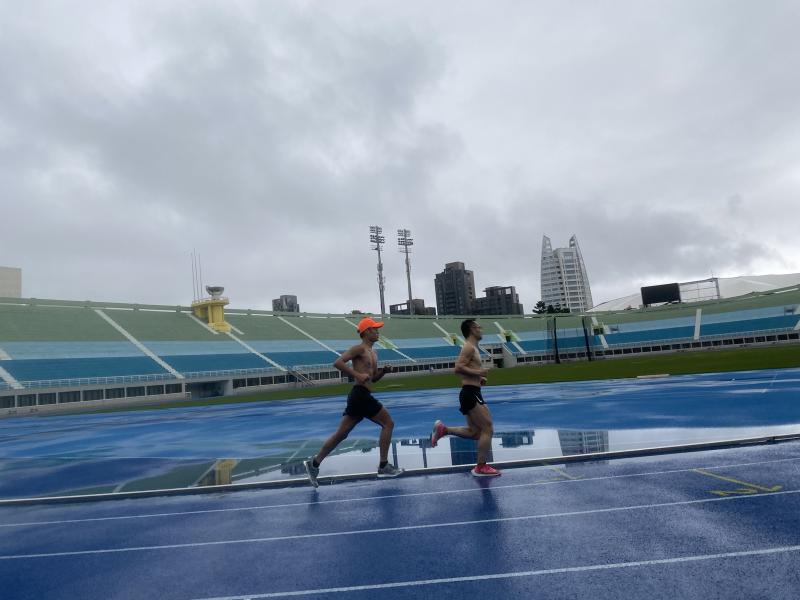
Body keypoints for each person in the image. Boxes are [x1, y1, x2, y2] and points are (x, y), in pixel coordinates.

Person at [303, 317, 404, 487]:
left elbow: (372, 379)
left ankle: (314, 464)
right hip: (360, 395)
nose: (378, 332)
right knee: (388, 423)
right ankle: (383, 466)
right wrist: (356, 375)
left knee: (341, 434)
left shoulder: (374, 353)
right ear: (367, 331)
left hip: (360, 396)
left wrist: (384, 372)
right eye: (375, 329)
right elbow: (337, 363)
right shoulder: (359, 349)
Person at [430, 319, 500, 477]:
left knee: (475, 432)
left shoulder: (472, 347)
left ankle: (444, 429)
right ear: (472, 329)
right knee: (488, 428)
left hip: (471, 391)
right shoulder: (469, 347)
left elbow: (466, 369)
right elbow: (458, 368)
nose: (481, 329)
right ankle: (481, 467)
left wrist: (478, 379)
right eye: (478, 327)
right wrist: (479, 372)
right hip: (470, 392)